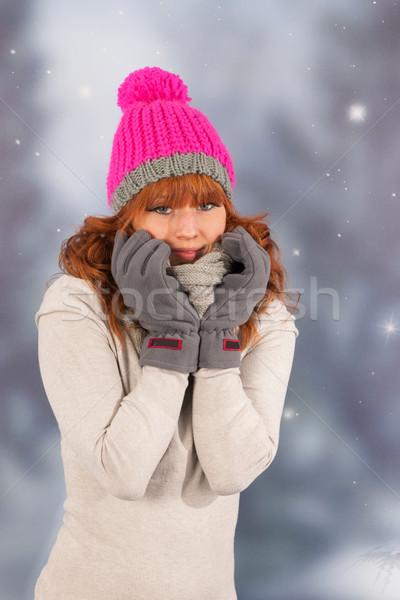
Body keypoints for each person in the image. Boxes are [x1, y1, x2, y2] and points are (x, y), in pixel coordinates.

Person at [34, 66, 300, 600]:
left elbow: (230, 470)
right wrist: (172, 340)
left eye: (207, 203)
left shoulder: (261, 315)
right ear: (127, 215)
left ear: (227, 207)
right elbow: (123, 471)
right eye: (161, 207)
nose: (188, 228)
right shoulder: (76, 303)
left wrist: (220, 337)